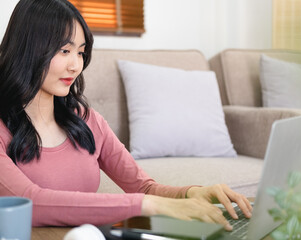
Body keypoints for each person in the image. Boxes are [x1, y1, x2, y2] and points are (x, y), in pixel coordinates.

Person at [0, 0, 252, 231]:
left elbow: (143, 187)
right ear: (29, 49)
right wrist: (146, 205)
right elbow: (30, 203)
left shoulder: (86, 120)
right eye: (64, 51)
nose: (75, 65)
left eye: (80, 52)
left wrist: (193, 193)